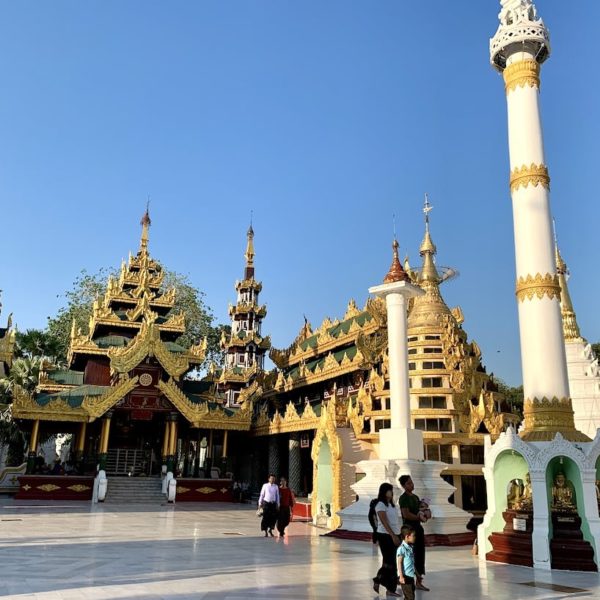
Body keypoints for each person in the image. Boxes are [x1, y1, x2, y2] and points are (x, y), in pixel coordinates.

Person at [399, 475, 429, 592]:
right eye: (408, 483)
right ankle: (406, 581)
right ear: (403, 486)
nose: (411, 485)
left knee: (420, 555)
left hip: (418, 529)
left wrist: (425, 514)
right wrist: (418, 517)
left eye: (411, 482)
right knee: (410, 556)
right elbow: (406, 514)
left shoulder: (416, 497)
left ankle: (419, 581)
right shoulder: (403, 498)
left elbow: (420, 510)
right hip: (409, 530)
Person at [372, 483, 402, 597]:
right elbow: (384, 522)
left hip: (395, 534)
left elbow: (395, 521)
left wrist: (398, 535)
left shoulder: (392, 505)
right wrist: (393, 535)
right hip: (385, 535)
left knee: (389, 562)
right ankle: (390, 588)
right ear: (384, 491)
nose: (391, 492)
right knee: (390, 563)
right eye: (389, 490)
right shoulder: (380, 505)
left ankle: (378, 580)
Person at [397, 526, 420, 600]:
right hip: (405, 577)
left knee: (409, 596)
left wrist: (417, 573)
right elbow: (399, 563)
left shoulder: (410, 548)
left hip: (411, 576)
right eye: (413, 535)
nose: (415, 537)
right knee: (410, 597)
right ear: (407, 536)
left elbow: (412, 563)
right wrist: (401, 576)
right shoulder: (401, 549)